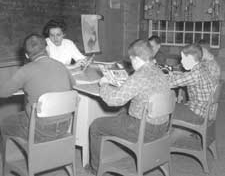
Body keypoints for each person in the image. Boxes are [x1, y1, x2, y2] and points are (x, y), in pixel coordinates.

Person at [89, 39, 171, 173]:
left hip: (144, 129)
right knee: (122, 114)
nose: (131, 63)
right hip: (162, 127)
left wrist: (104, 84)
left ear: (137, 59)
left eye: (131, 59)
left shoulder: (139, 75)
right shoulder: (158, 71)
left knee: (96, 125)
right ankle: (116, 155)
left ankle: (95, 168)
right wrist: (127, 84)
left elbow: (114, 101)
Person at [0, 34, 78, 144]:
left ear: (27, 55)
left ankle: (7, 159)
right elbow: (73, 86)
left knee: (5, 123)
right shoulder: (61, 66)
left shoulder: (25, 70)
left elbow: (3, 92)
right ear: (47, 49)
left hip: (40, 129)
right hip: (65, 125)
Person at [169, 43, 218, 140]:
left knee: (166, 108)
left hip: (198, 115)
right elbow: (185, 77)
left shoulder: (195, 74)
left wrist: (160, 77)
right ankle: (177, 135)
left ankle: (160, 142)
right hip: (206, 113)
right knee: (173, 106)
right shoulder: (203, 67)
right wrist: (174, 74)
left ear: (191, 58)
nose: (181, 62)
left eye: (183, 59)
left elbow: (170, 83)